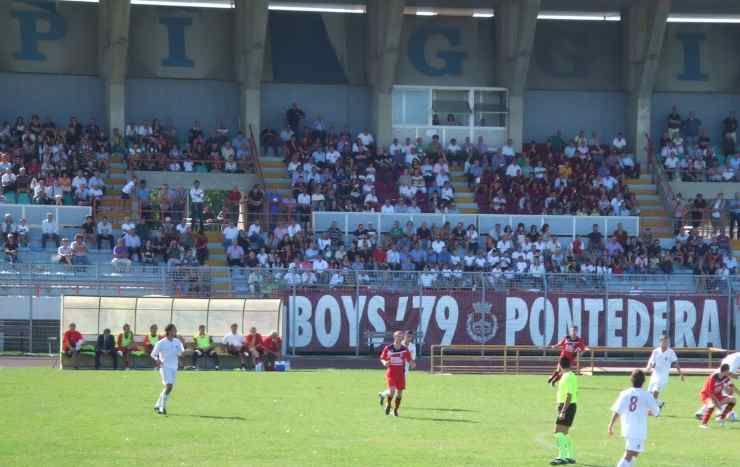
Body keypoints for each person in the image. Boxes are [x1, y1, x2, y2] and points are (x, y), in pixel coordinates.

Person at [608, 369, 661, 467]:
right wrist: (650, 412)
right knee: (629, 455)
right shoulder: (646, 395)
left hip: (627, 428)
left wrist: (611, 425)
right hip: (638, 430)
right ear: (644, 381)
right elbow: (656, 412)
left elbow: (617, 410)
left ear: (631, 380)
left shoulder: (625, 393)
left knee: (634, 454)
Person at [695, 352, 740, 421]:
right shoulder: (736, 359)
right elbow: (729, 373)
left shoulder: (735, 356)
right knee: (726, 394)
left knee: (722, 395)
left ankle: (702, 412)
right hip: (720, 376)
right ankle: (720, 414)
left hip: (722, 372)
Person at [151, 324, 185, 415]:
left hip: (174, 367)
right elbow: (153, 354)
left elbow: (180, 353)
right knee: (169, 386)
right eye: (174, 330)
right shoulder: (161, 343)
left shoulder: (177, 341)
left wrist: (181, 357)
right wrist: (157, 360)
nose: (176, 331)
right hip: (164, 367)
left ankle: (157, 405)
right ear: (169, 331)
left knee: (168, 388)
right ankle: (162, 407)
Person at [379, 331, 414, 417]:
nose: (400, 338)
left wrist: (412, 363)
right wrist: (384, 363)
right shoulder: (388, 348)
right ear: (394, 337)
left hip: (401, 374)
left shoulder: (405, 349)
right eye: (398, 336)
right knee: (392, 391)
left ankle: (396, 410)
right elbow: (382, 358)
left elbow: (409, 359)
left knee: (399, 393)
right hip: (391, 373)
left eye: (401, 336)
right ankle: (388, 404)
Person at [551, 356, 577, 465]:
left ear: (560, 365)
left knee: (557, 432)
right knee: (564, 433)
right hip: (570, 406)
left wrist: (563, 411)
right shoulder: (570, 375)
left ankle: (562, 457)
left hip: (567, 406)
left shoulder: (567, 377)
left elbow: (569, 395)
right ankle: (570, 456)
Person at [644, 335, 683, 409]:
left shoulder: (671, 352)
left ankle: (653, 410)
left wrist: (680, 374)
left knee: (655, 392)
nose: (666, 343)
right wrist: (648, 368)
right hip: (654, 375)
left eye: (667, 342)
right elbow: (651, 362)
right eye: (664, 342)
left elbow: (676, 363)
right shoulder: (655, 351)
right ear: (660, 342)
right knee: (649, 395)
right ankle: (660, 403)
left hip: (663, 376)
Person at [699, 364, 737, 428]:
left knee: (733, 400)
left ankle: (721, 419)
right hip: (706, 395)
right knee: (712, 405)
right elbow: (710, 392)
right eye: (728, 371)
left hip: (718, 395)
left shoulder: (725, 377)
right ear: (725, 371)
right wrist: (718, 404)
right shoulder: (713, 377)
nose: (729, 372)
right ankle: (703, 424)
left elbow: (732, 386)